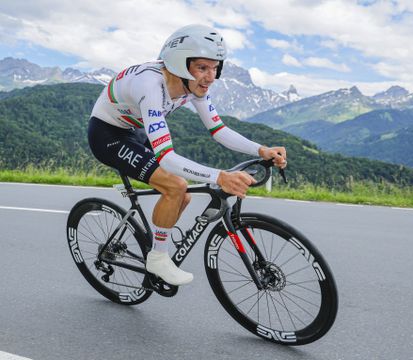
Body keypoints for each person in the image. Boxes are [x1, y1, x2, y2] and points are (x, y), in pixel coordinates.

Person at [88, 24, 287, 286]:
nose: (211, 76)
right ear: (180, 65)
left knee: (184, 194)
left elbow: (218, 130)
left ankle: (158, 238)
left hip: (135, 130)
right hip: (107, 134)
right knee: (176, 186)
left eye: (215, 68)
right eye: (203, 68)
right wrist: (220, 176)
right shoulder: (150, 85)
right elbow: (168, 158)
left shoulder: (192, 87)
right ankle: (158, 258)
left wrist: (261, 149)